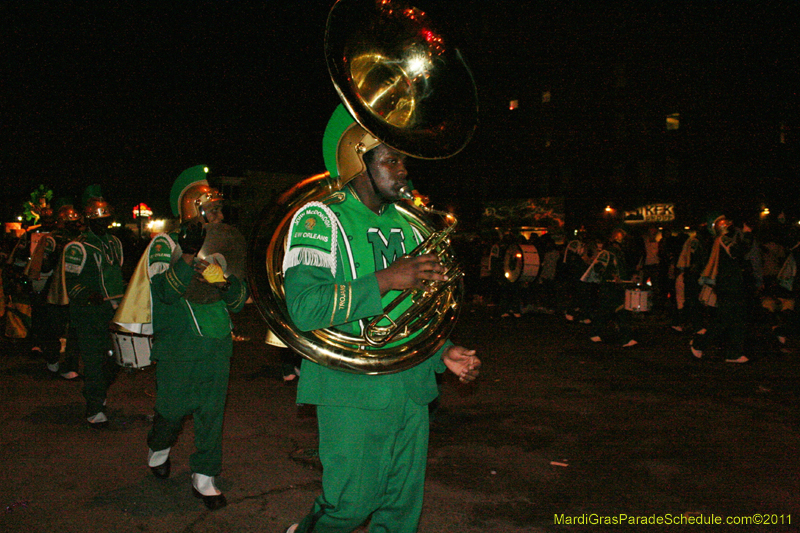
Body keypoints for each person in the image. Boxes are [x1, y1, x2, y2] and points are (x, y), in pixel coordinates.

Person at [282, 105, 481, 533]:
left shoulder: (410, 226)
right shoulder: (321, 217)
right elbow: (304, 307)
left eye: (403, 160)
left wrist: (443, 353)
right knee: (350, 506)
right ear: (358, 162)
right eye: (391, 159)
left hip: (410, 389)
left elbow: (414, 312)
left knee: (400, 511)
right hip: (351, 390)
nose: (404, 170)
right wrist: (387, 279)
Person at [127, 166, 248, 511]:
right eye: (213, 209)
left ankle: (205, 476)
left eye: (220, 209)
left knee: (211, 414)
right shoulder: (164, 245)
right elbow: (164, 293)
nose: (220, 215)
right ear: (192, 210)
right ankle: (158, 445)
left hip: (217, 345)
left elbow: (238, 300)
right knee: (171, 411)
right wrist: (189, 256)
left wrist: (223, 282)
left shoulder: (225, 241)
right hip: (179, 348)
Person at [62, 185, 124, 427]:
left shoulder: (116, 243)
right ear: (88, 221)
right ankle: (94, 406)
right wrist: (88, 295)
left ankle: (97, 392)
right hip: (88, 314)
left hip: (112, 312)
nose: (104, 224)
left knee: (114, 361)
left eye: (106, 219)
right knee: (94, 362)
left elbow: (117, 274)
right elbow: (71, 283)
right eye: (98, 220)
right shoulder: (77, 247)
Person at [691, 214, 755, 363]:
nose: (730, 223)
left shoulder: (724, 240)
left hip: (731, 284)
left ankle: (734, 353)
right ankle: (700, 344)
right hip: (728, 286)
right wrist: (747, 234)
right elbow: (738, 251)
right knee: (725, 319)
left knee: (736, 320)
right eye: (727, 222)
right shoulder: (723, 240)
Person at [581, 225, 638, 348]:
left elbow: (622, 270)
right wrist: (613, 276)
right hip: (609, 288)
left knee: (620, 311)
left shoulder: (620, 254)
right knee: (606, 312)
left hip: (618, 288)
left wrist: (630, 277)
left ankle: (625, 338)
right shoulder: (608, 252)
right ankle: (597, 333)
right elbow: (598, 267)